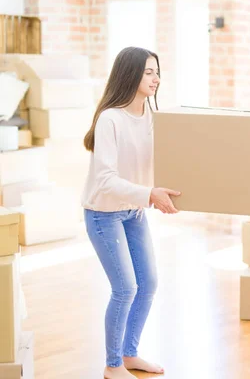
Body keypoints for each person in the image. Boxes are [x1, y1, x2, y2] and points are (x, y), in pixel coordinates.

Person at [81, 46, 180, 379]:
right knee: (125, 288)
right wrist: (149, 194)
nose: (155, 78)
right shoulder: (111, 119)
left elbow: (164, 162)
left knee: (148, 284)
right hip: (103, 214)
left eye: (157, 72)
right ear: (129, 74)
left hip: (133, 212)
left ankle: (129, 354)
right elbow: (106, 180)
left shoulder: (153, 118)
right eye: (148, 72)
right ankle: (112, 366)